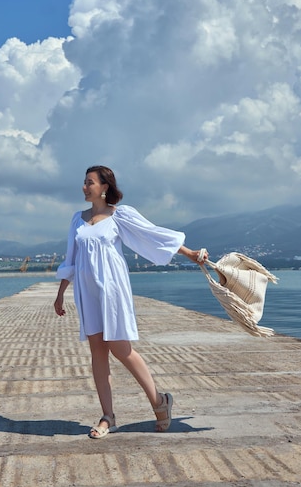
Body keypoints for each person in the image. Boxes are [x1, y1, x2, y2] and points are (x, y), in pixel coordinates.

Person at [54, 165, 208, 439]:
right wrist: (61, 292)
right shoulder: (77, 220)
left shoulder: (118, 216)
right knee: (97, 352)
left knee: (120, 348)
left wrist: (190, 253)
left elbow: (153, 234)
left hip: (112, 290)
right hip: (87, 293)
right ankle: (107, 417)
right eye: (84, 182)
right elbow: (71, 259)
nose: (85, 187)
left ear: (104, 187)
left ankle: (159, 402)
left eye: (90, 182)